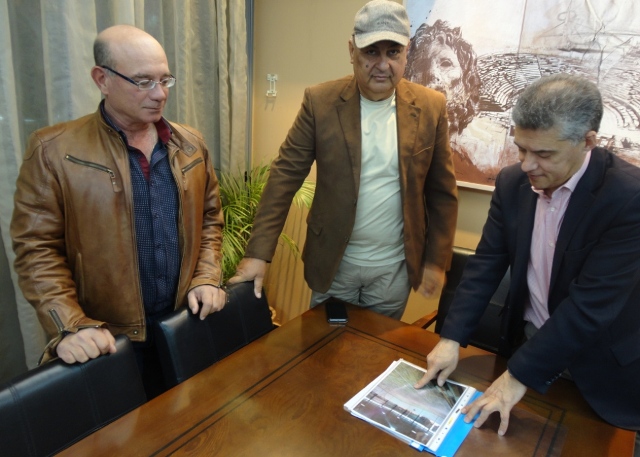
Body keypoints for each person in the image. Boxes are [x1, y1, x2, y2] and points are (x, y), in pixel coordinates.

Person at [415, 73, 640, 447]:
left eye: (544, 154)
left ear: (587, 142)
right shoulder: (511, 183)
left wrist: (516, 376)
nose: (526, 165)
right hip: (530, 342)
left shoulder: (628, 197)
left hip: (602, 361)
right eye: (521, 149)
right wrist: (451, 337)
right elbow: (486, 264)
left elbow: (590, 306)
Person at [10, 25, 226, 397]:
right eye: (143, 81)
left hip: (182, 324)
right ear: (102, 79)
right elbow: (36, 250)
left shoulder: (190, 143)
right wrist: (71, 324)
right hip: (105, 340)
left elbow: (210, 219)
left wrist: (206, 277)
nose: (160, 94)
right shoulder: (53, 150)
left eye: (165, 80)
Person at [229, 0, 458, 319]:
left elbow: (442, 193)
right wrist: (258, 253)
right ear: (352, 50)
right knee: (324, 345)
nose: (383, 65)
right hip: (335, 264)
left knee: (377, 347)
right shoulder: (320, 102)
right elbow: (284, 177)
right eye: (371, 52)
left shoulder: (431, 107)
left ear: (407, 53)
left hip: (393, 271)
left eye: (393, 52)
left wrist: (436, 260)